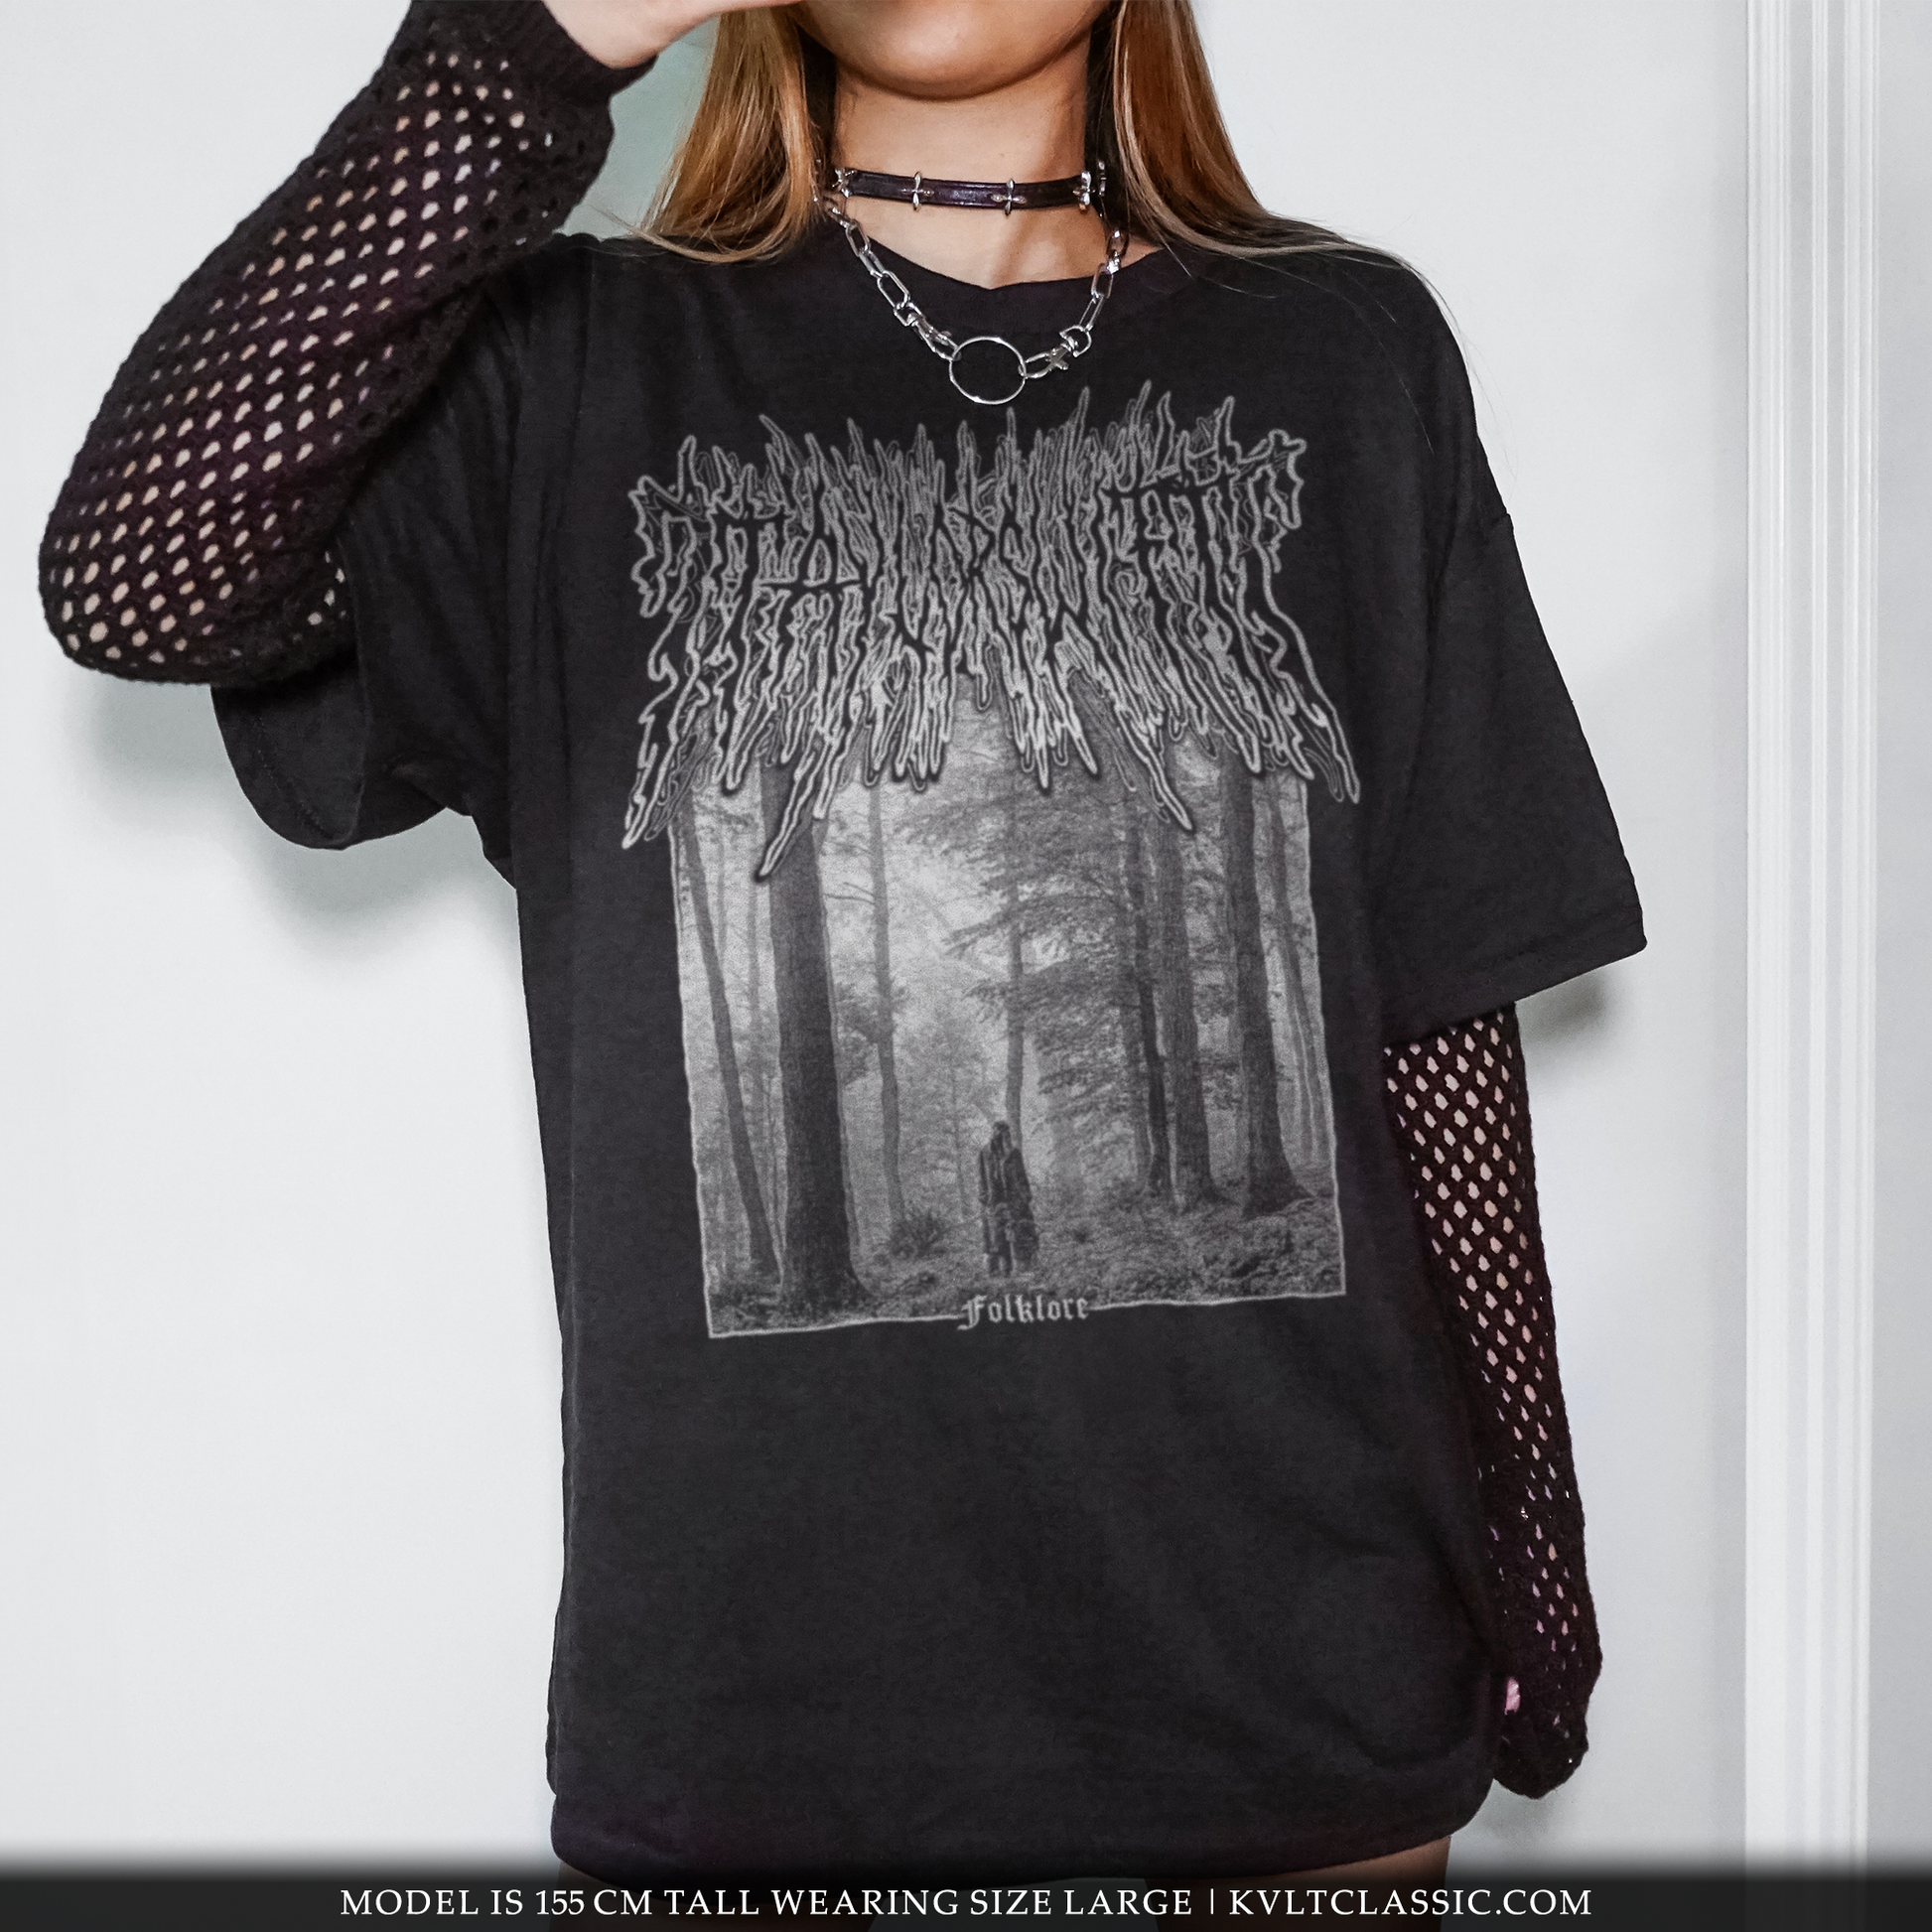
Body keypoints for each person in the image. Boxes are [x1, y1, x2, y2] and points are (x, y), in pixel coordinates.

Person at [39, 0, 1642, 1885]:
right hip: (753, 1659)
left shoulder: (1344, 347)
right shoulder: (574, 362)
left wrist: (1528, 1518)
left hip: (1303, 1616)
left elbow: (1433, 993)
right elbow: (138, 577)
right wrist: (547, 38)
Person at [978, 1120, 1037, 1277]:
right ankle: (1001, 1272)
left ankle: (1024, 1270)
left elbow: (1022, 1177)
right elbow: (981, 1178)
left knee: (1020, 1234)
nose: (999, 1134)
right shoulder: (984, 1153)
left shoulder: (1014, 1153)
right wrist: (985, 1198)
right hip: (994, 1202)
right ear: (992, 1132)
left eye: (1003, 1131)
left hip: (1014, 1201)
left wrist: (1025, 1197)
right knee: (996, 1239)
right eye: (996, 1130)